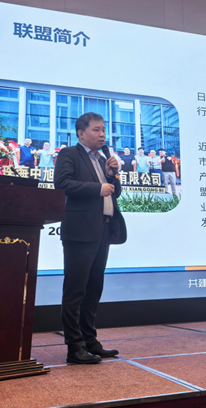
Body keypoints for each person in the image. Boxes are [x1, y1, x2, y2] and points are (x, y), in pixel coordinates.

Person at [54, 112, 127, 364]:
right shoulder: (69, 154)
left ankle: (90, 341)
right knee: (76, 290)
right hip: (80, 231)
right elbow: (62, 183)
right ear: (81, 133)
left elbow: (114, 193)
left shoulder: (102, 159)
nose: (102, 135)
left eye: (104, 130)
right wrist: (98, 187)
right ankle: (74, 347)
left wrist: (111, 175)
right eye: (96, 130)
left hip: (103, 229)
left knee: (94, 289)